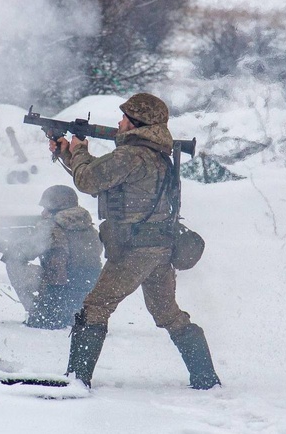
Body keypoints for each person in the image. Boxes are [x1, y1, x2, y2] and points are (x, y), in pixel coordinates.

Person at [48, 93, 221, 389]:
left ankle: (77, 380)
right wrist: (69, 152)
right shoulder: (154, 156)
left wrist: (77, 149)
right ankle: (206, 378)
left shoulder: (130, 156)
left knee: (95, 307)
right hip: (158, 248)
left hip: (135, 251)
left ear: (137, 123)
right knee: (168, 314)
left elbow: (88, 181)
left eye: (124, 118)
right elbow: (98, 180)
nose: (119, 123)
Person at [0, 185, 103, 329]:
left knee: (13, 262)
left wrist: (4, 245)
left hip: (58, 296)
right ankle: (71, 314)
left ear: (56, 208)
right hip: (87, 298)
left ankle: (38, 313)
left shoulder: (51, 227)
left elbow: (21, 252)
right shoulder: (88, 227)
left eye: (46, 208)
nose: (43, 213)